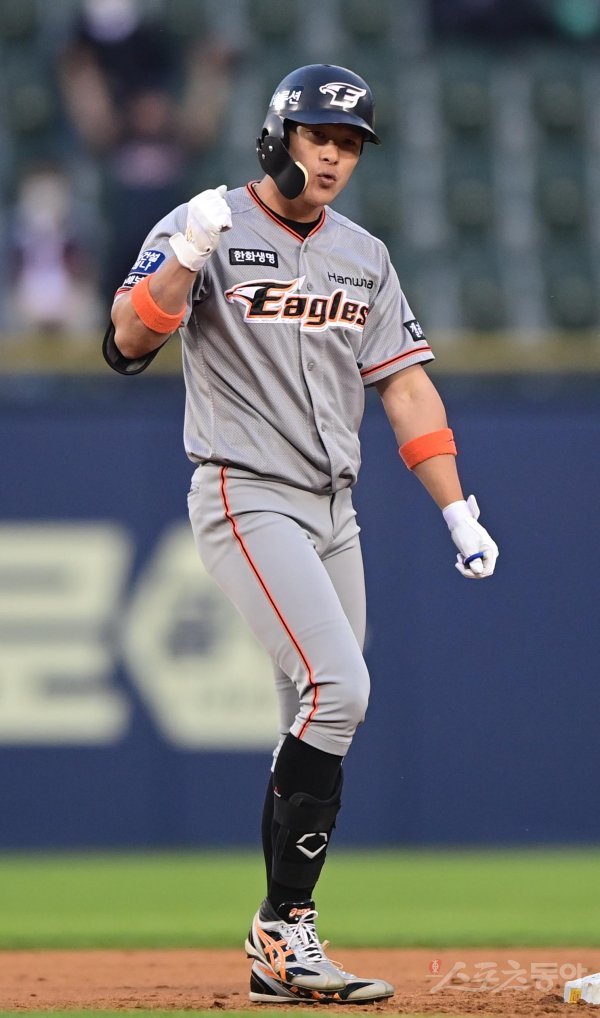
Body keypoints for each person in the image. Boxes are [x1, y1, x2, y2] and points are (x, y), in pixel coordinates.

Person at [104, 63, 499, 1004]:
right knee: (341, 688)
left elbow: (405, 386)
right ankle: (284, 928)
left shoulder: (363, 253)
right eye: (320, 136)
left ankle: (277, 954)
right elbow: (124, 342)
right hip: (245, 491)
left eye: (351, 144)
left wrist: (455, 505)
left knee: (321, 716)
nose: (334, 157)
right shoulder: (207, 223)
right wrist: (186, 255)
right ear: (278, 136)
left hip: (333, 508)